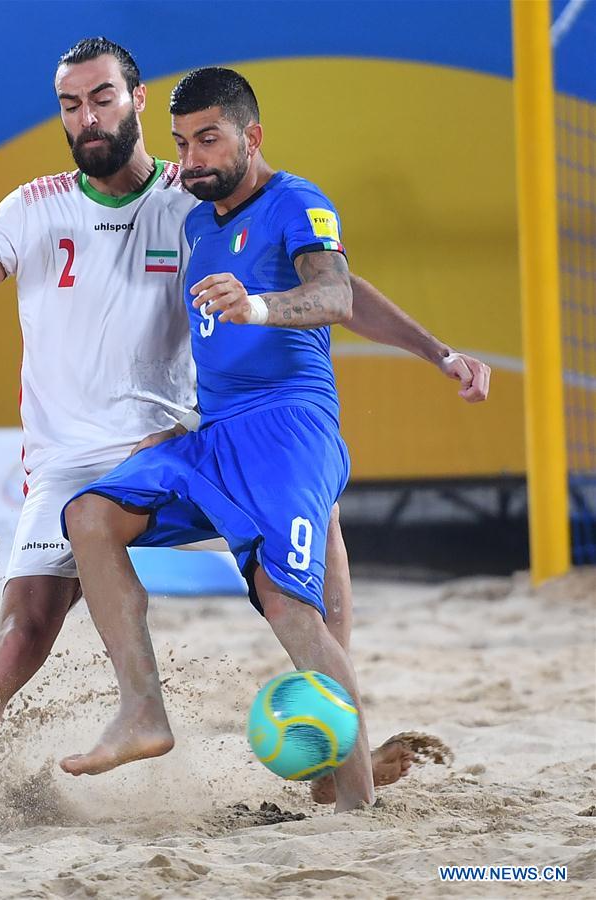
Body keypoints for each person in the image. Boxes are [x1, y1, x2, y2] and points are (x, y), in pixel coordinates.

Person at [0, 40, 489, 787]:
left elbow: (331, 279)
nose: (87, 117)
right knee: (19, 637)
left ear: (137, 100)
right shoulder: (34, 207)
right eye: (70, 105)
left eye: (102, 97)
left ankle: (341, 760)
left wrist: (434, 351)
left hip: (180, 440)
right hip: (74, 464)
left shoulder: (193, 196)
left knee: (316, 555)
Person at [59, 65, 486, 811]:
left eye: (209, 140)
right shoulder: (197, 223)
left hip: (289, 429)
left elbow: (334, 292)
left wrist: (260, 308)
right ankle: (142, 709)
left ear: (251, 137)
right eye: (182, 144)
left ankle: (353, 811)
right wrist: (439, 350)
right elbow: (350, 296)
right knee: (91, 517)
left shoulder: (298, 200)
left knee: (291, 607)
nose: (191, 159)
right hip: (215, 433)